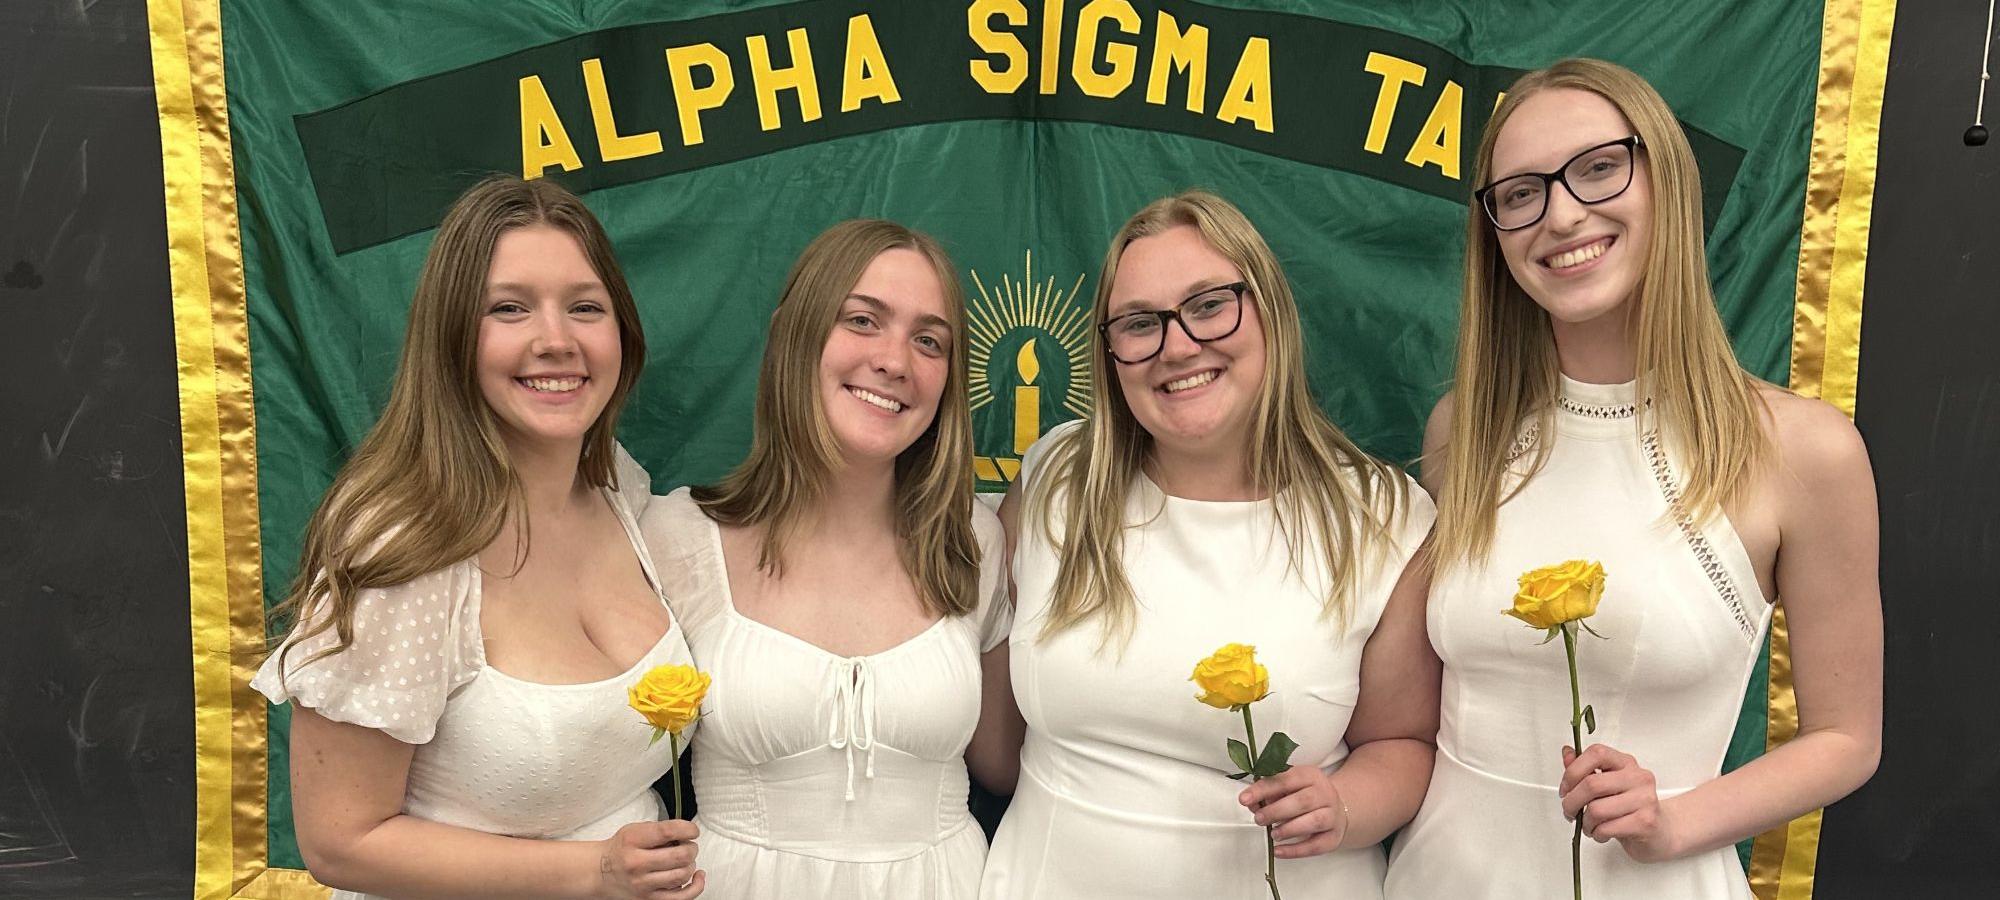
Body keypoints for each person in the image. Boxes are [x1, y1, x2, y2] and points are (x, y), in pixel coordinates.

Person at [1383, 59, 1882, 899]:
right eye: (1519, 194)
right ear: (1494, 233)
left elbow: (1847, 739)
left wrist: (1676, 821)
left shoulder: (1805, 452)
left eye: (1599, 167)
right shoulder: (1463, 428)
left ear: (1667, 182)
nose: (1562, 214)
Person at [252, 176, 705, 900]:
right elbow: (341, 843)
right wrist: (593, 871)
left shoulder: (618, 488)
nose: (556, 341)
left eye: (585, 307)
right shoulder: (403, 553)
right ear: (453, 336)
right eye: (509, 309)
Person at [979, 191, 1440, 899]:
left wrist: (1344, 808)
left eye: (1208, 305)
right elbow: (998, 748)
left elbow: (1402, 745)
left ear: (1268, 311)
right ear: (1109, 353)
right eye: (1139, 324)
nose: (1178, 345)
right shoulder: (1055, 477)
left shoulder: (1380, 517)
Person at [637, 220, 1020, 899]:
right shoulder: (678, 538)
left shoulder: (972, 542)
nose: (896, 361)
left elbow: (1009, 765)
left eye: (929, 340)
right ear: (797, 333)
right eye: (863, 320)